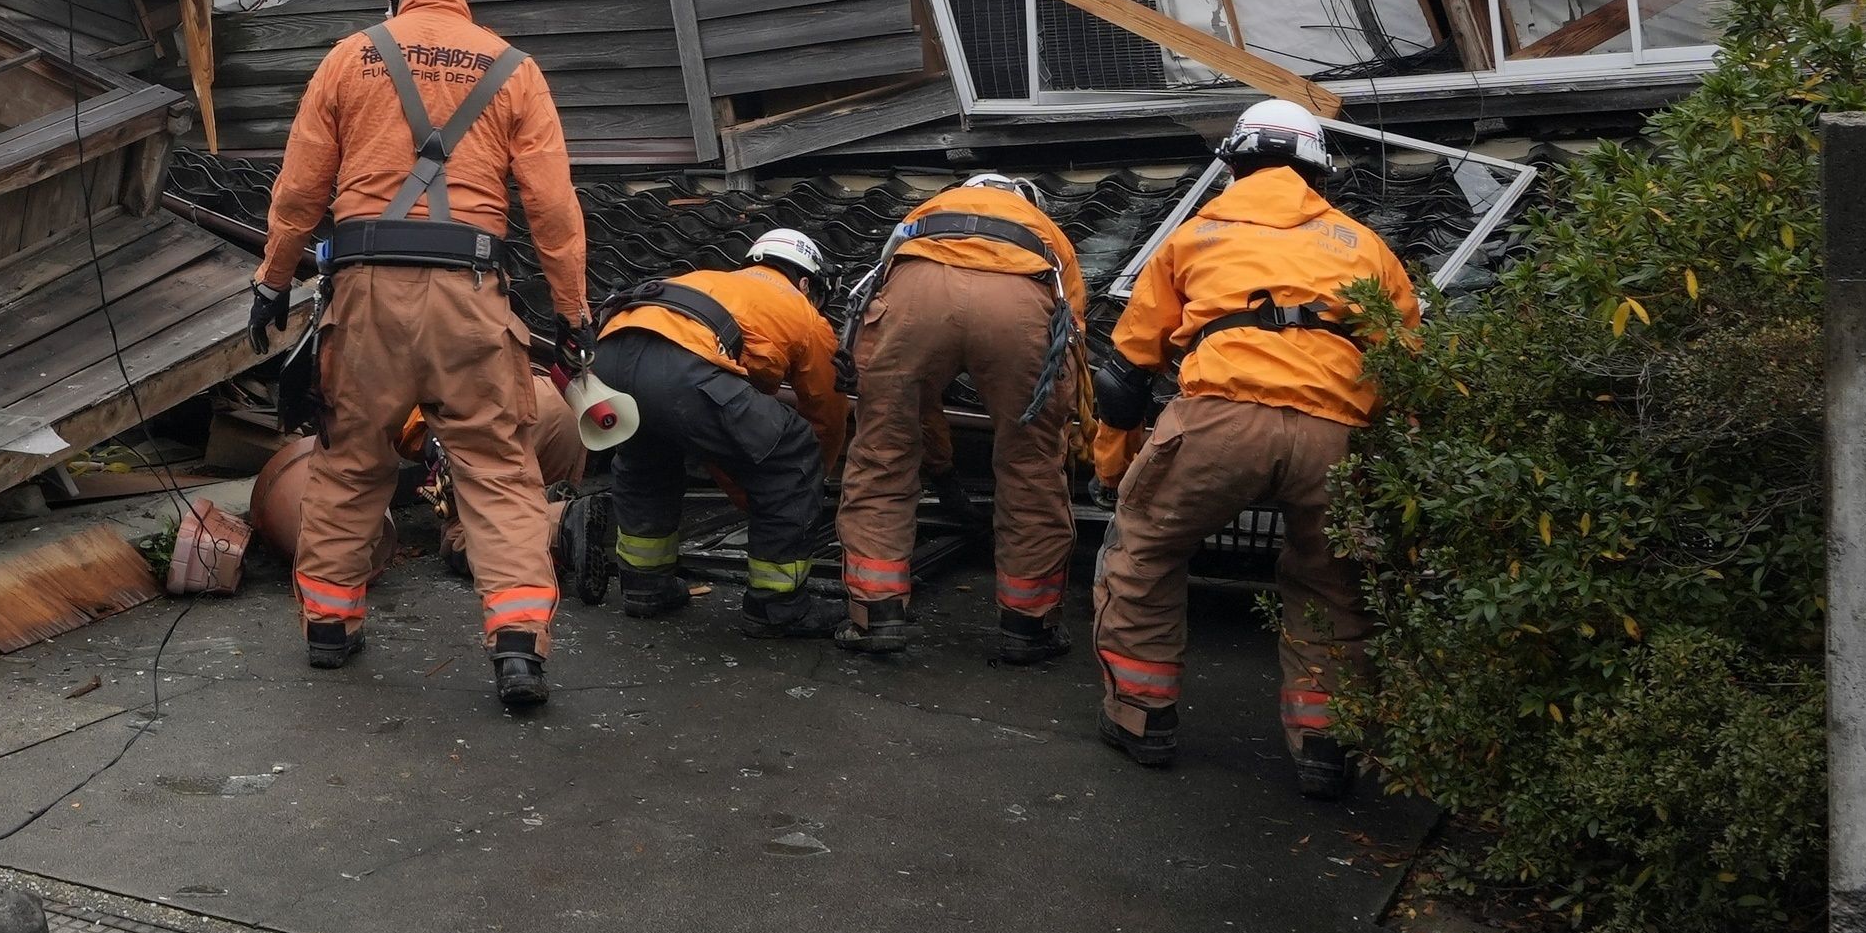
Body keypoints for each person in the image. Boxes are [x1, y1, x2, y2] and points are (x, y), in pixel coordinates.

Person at [248, 0, 587, 714]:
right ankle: (516, 649)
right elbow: (552, 208)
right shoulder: (514, 70)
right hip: (472, 297)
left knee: (350, 460)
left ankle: (329, 630)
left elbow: (300, 189)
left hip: (365, 293)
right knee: (501, 474)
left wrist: (271, 278)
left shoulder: (349, 58)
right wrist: (573, 313)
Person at [1094, 98, 1420, 795]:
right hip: (1337, 433)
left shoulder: (1196, 233)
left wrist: (1113, 463)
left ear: (1234, 166)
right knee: (1333, 582)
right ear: (1317, 172)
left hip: (1216, 419)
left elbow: (1124, 372)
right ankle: (1325, 745)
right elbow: (1409, 373)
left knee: (1144, 551)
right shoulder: (1366, 246)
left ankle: (1140, 717)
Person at [833, 172, 1090, 664]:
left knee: (883, 454)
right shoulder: (1042, 226)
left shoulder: (927, 212)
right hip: (1020, 303)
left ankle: (875, 614)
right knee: (1030, 467)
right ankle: (1027, 626)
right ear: (1019, 197)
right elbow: (1071, 321)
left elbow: (877, 285)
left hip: (916, 294)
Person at [581, 226, 844, 625]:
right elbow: (826, 412)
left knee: (647, 459)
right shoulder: (802, 310)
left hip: (609, 356)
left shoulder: (711, 281)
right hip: (680, 367)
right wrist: (803, 483)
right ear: (806, 281)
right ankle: (779, 607)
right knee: (794, 450)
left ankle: (644, 586)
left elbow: (715, 430)